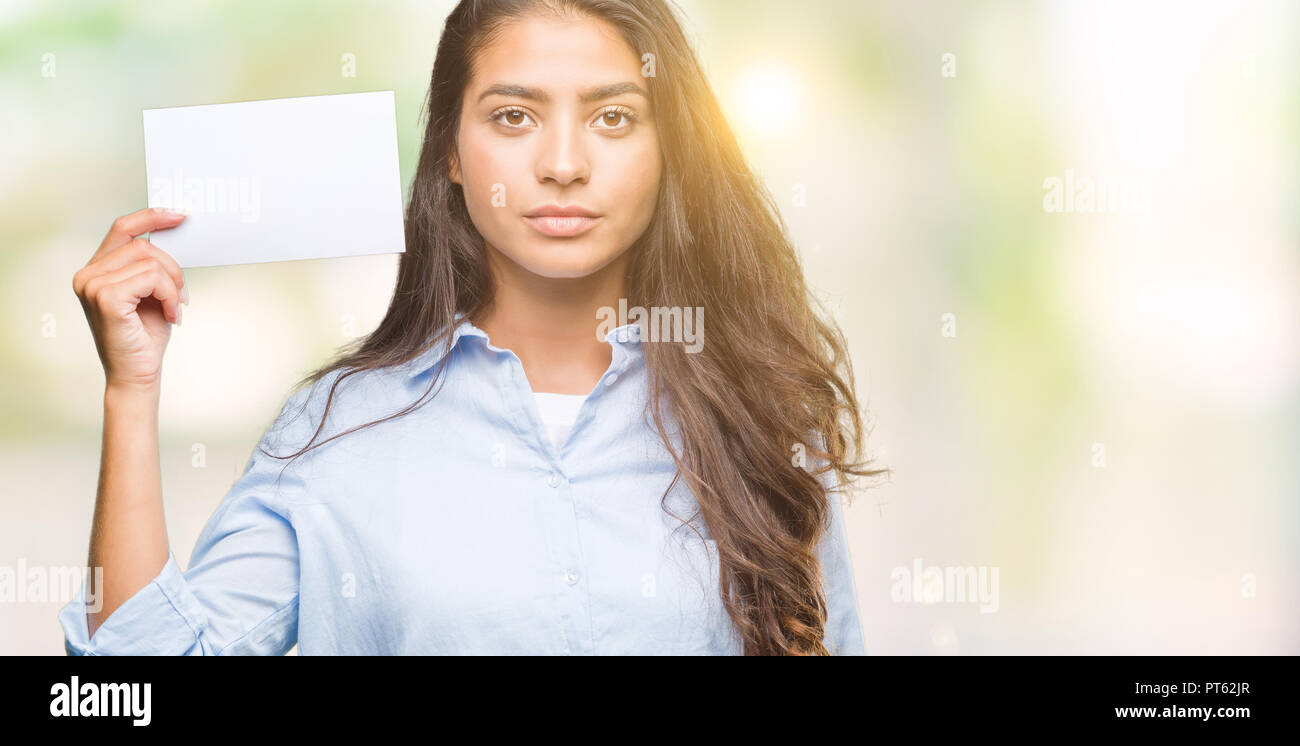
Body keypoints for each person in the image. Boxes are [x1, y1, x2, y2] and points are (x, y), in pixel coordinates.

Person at [61, 0, 882, 655]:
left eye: (614, 118)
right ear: (451, 150)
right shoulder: (337, 432)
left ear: (670, 150)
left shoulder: (761, 423)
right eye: (514, 117)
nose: (564, 164)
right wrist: (130, 391)